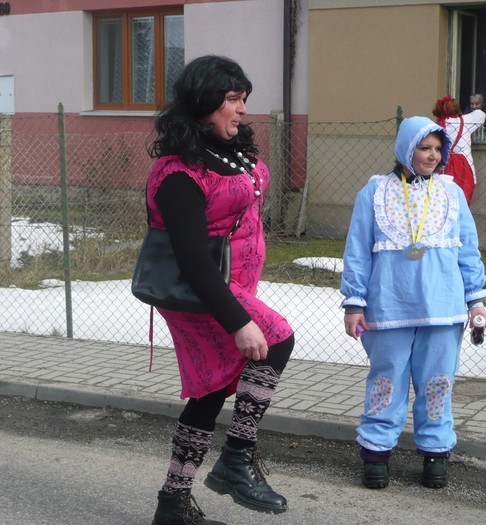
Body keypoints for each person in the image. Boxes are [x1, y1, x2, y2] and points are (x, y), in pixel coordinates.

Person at [145, 55, 295, 525]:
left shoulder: (230, 150)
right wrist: (239, 322)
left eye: (243, 98)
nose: (242, 109)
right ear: (203, 102)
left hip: (232, 284)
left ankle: (172, 505)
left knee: (210, 391)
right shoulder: (178, 174)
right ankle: (236, 458)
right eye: (232, 99)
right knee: (275, 338)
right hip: (201, 291)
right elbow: (193, 263)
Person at [340, 116, 486, 490]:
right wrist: (354, 303)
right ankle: (376, 454)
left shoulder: (452, 194)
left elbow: (468, 250)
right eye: (424, 148)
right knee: (386, 382)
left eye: (438, 149)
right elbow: (357, 250)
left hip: (443, 310)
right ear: (406, 149)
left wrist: (476, 301)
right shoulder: (373, 193)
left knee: (437, 384)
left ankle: (435, 454)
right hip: (389, 309)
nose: (433, 156)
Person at [432, 94, 486, 206]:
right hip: (464, 165)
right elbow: (480, 114)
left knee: (443, 200)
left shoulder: (437, 126)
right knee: (463, 201)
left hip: (443, 164)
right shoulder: (465, 121)